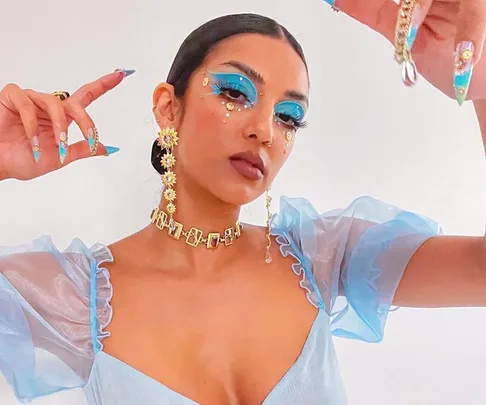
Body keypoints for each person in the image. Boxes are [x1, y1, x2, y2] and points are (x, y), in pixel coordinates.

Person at [0, 2, 485, 404]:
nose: (265, 130)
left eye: (290, 116)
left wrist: (482, 82)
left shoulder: (323, 259)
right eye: (235, 92)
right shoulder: (71, 300)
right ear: (169, 106)